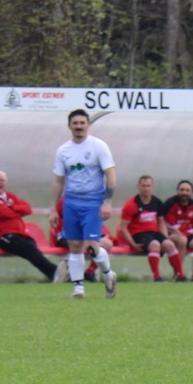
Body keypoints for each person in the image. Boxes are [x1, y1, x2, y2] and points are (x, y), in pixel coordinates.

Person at [51, 108, 118, 299]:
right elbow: (58, 180)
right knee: (74, 245)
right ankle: (78, 289)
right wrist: (52, 209)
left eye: (82, 123)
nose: (79, 127)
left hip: (93, 202)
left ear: (88, 125)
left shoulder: (99, 146)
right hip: (71, 202)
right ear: (69, 126)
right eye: (75, 123)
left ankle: (108, 274)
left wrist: (107, 201)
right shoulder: (63, 150)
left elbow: (110, 175)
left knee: (91, 247)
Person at [0, 170, 58, 281]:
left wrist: (12, 207)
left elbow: (28, 209)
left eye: (1, 180)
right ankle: (54, 272)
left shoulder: (11, 197)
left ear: (6, 183)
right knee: (29, 249)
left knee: (31, 248)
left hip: (20, 234)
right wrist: (15, 210)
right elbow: (3, 213)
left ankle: (54, 274)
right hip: (0, 237)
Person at [117, 175, 174, 281]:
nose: (146, 189)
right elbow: (123, 227)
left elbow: (161, 221)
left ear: (153, 186)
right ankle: (157, 277)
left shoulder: (157, 202)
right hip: (138, 234)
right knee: (155, 244)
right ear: (138, 187)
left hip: (153, 232)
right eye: (143, 186)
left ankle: (180, 275)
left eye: (148, 186)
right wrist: (132, 244)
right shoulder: (131, 205)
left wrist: (165, 238)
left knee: (169, 244)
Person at [162, 179, 193, 281]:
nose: (184, 193)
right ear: (177, 191)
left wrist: (186, 232)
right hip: (170, 236)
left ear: (191, 193)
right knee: (182, 240)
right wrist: (184, 232)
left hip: (187, 235)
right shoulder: (170, 204)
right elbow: (171, 226)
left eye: (187, 190)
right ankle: (179, 274)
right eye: (182, 190)